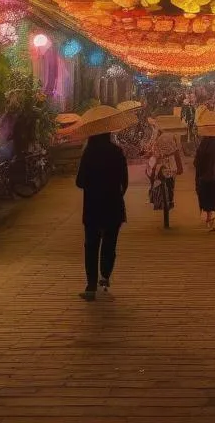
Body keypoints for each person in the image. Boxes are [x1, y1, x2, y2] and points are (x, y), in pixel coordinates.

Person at [74, 105, 131, 302]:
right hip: (113, 204)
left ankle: (90, 286)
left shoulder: (88, 153)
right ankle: (105, 276)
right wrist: (117, 193)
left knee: (91, 245)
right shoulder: (117, 152)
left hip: (92, 206)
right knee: (109, 242)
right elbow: (125, 181)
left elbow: (80, 182)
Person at [194, 110, 215, 232]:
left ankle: (207, 216)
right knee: (214, 196)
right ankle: (211, 218)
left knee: (205, 195)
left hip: (203, 175)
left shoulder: (203, 144)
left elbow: (197, 161)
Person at [148, 116, 184, 212]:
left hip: (160, 164)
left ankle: (156, 200)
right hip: (171, 164)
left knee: (154, 178)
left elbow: (151, 150)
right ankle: (170, 201)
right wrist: (180, 167)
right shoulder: (172, 135)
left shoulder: (157, 135)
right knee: (171, 183)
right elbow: (177, 151)